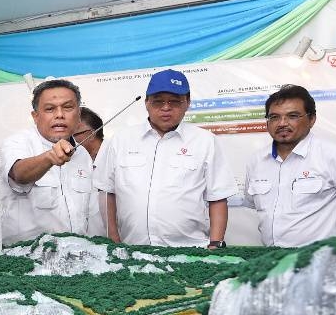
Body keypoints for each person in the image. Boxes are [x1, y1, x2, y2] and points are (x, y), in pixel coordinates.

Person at [101, 69, 236, 248]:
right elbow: (107, 192)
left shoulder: (205, 141)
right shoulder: (121, 140)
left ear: (187, 102)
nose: (166, 108)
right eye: (158, 101)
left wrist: (215, 243)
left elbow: (218, 196)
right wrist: (113, 239)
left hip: (191, 249)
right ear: (147, 103)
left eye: (174, 101)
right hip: (132, 249)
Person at [243, 84, 336, 246]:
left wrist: (335, 242)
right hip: (273, 260)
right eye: (274, 117)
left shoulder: (334, 156)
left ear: (312, 119)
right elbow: (255, 205)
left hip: (322, 259)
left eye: (292, 116)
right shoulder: (257, 161)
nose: (282, 123)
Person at [0, 79, 96, 245]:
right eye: (50, 109)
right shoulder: (17, 143)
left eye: (68, 107)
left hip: (74, 255)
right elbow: (18, 173)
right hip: (23, 259)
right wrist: (49, 158)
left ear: (79, 115)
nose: (59, 115)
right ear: (35, 116)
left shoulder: (83, 154)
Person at [77, 106, 108, 237]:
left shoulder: (116, 157)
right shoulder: (72, 161)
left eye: (73, 134)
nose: (68, 139)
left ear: (90, 134)